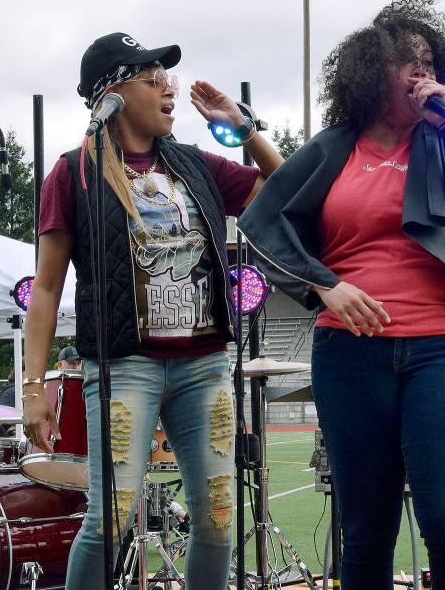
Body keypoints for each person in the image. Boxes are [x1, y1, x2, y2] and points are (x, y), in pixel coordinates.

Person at [239, 0, 445, 590]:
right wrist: (324, 286)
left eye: (432, 65)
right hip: (349, 351)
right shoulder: (335, 147)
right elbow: (263, 224)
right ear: (372, 73)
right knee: (364, 528)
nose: (424, 75)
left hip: (444, 346)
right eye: (410, 63)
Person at [22, 31, 283, 588]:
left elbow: (284, 185)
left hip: (204, 364)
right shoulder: (74, 174)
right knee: (111, 519)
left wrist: (245, 129)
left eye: (168, 78)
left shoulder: (195, 165)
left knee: (216, 520)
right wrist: (32, 387)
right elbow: (45, 290)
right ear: (112, 95)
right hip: (124, 367)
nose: (170, 89)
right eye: (153, 79)